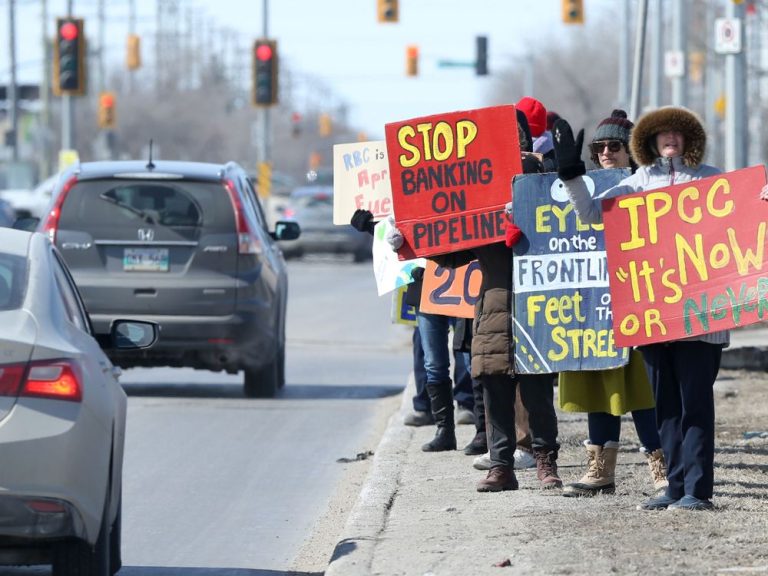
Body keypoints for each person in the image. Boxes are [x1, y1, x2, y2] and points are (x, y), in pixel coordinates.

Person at [552, 106, 730, 511]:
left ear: (689, 139)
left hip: (702, 316)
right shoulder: (635, 184)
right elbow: (592, 214)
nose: (670, 138)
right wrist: (571, 177)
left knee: (696, 403)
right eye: (661, 133)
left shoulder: (712, 179)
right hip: (653, 315)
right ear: (649, 141)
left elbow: (743, 217)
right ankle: (673, 484)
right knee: (664, 405)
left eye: (677, 133)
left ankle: (697, 491)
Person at [390, 109, 563, 492]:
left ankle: (545, 461)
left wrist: (530, 210)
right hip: (493, 305)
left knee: (537, 391)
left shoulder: (542, 177)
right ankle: (501, 466)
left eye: (517, 134)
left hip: (537, 303)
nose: (513, 141)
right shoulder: (483, 186)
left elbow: (567, 225)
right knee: (495, 387)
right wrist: (408, 241)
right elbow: (455, 249)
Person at [555, 110, 667, 497]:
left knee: (644, 388)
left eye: (614, 146)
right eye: (598, 147)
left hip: (640, 298)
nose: (606, 153)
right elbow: (585, 216)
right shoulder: (592, 190)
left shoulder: (646, 186)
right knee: (599, 380)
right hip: (596, 302)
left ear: (632, 150)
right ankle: (600, 469)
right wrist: (568, 176)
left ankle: (662, 467)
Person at [349, 210, 476, 453]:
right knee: (433, 364)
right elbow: (401, 227)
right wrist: (372, 227)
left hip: (464, 281)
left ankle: (481, 428)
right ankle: (444, 431)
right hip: (425, 283)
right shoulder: (418, 187)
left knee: (470, 356)